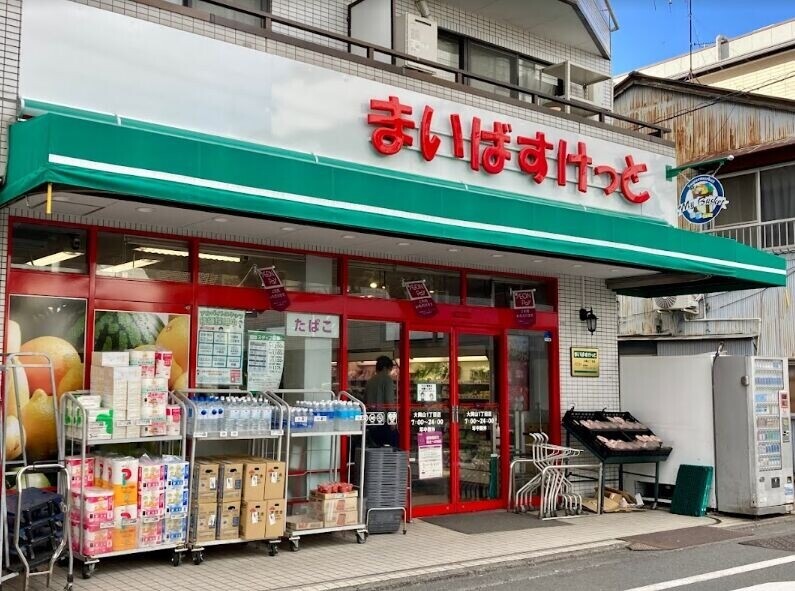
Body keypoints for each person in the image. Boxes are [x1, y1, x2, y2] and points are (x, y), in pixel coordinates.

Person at [364, 355, 398, 447]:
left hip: (372, 419)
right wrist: (392, 421)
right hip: (384, 420)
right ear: (385, 368)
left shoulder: (370, 381)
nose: (390, 372)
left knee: (377, 447)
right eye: (390, 369)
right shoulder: (387, 379)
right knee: (390, 448)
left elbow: (365, 400)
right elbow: (389, 402)